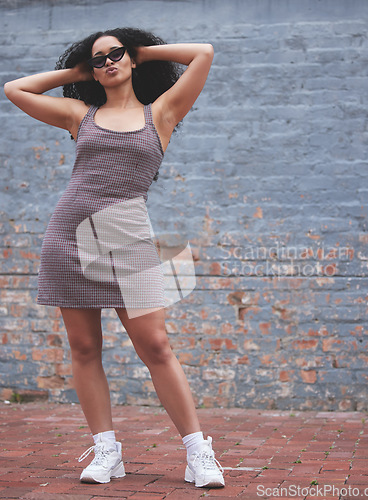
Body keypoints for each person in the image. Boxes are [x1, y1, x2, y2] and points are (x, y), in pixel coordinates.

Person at [4, 27, 225, 489]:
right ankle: (107, 450)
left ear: (132, 59)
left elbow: (203, 53)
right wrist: (79, 69)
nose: (108, 62)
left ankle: (197, 452)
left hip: (128, 239)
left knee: (157, 347)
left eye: (116, 54)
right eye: (98, 58)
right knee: (85, 348)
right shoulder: (78, 114)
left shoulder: (161, 112)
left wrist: (137, 52)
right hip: (70, 235)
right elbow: (14, 89)